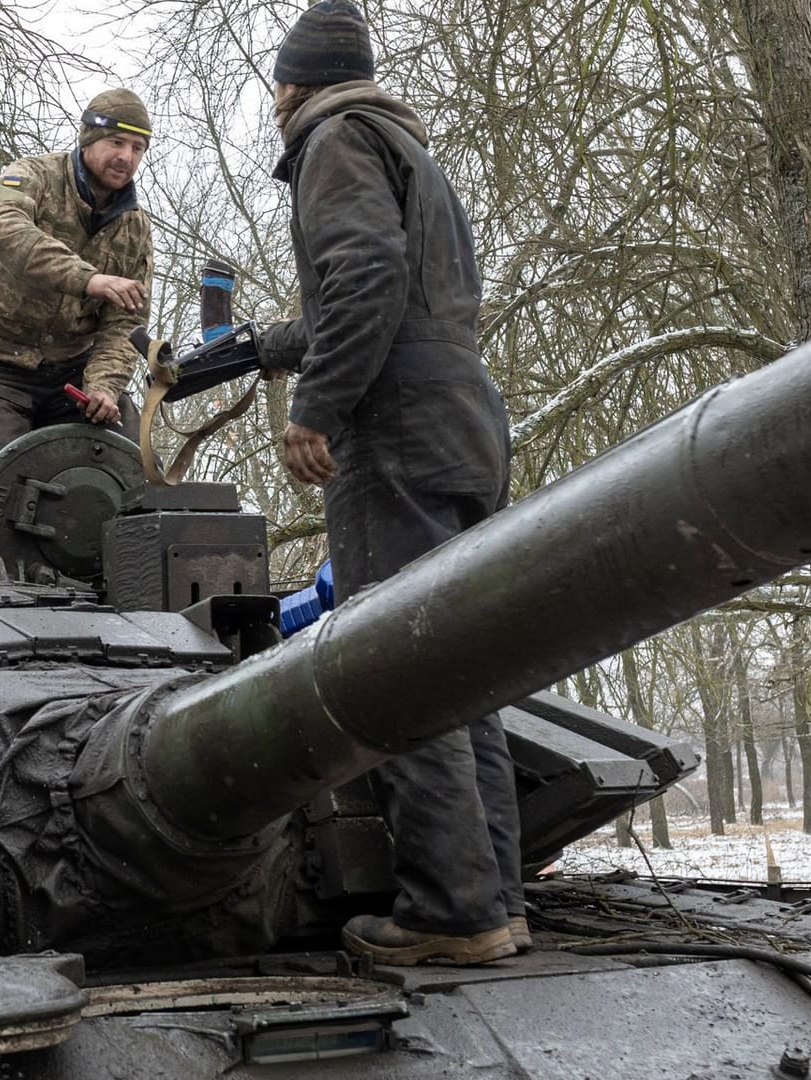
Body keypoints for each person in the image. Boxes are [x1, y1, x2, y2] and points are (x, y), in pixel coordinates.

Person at [257, 0, 523, 965]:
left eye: (275, 87)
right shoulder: (408, 148)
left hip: (395, 428)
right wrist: (266, 347)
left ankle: (448, 911)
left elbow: (364, 275)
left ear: (296, 83)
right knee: (460, 663)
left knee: (395, 662)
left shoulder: (330, 139)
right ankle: (497, 900)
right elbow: (392, 292)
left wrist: (316, 407)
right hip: (465, 416)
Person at [0, 89, 156, 568]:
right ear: (88, 139)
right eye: (116, 142)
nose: (125, 157)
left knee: (131, 468)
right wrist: (89, 278)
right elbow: (5, 230)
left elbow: (124, 321)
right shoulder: (32, 177)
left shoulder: (133, 228)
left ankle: (115, 589)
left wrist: (105, 386)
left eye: (138, 148)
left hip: (70, 371)